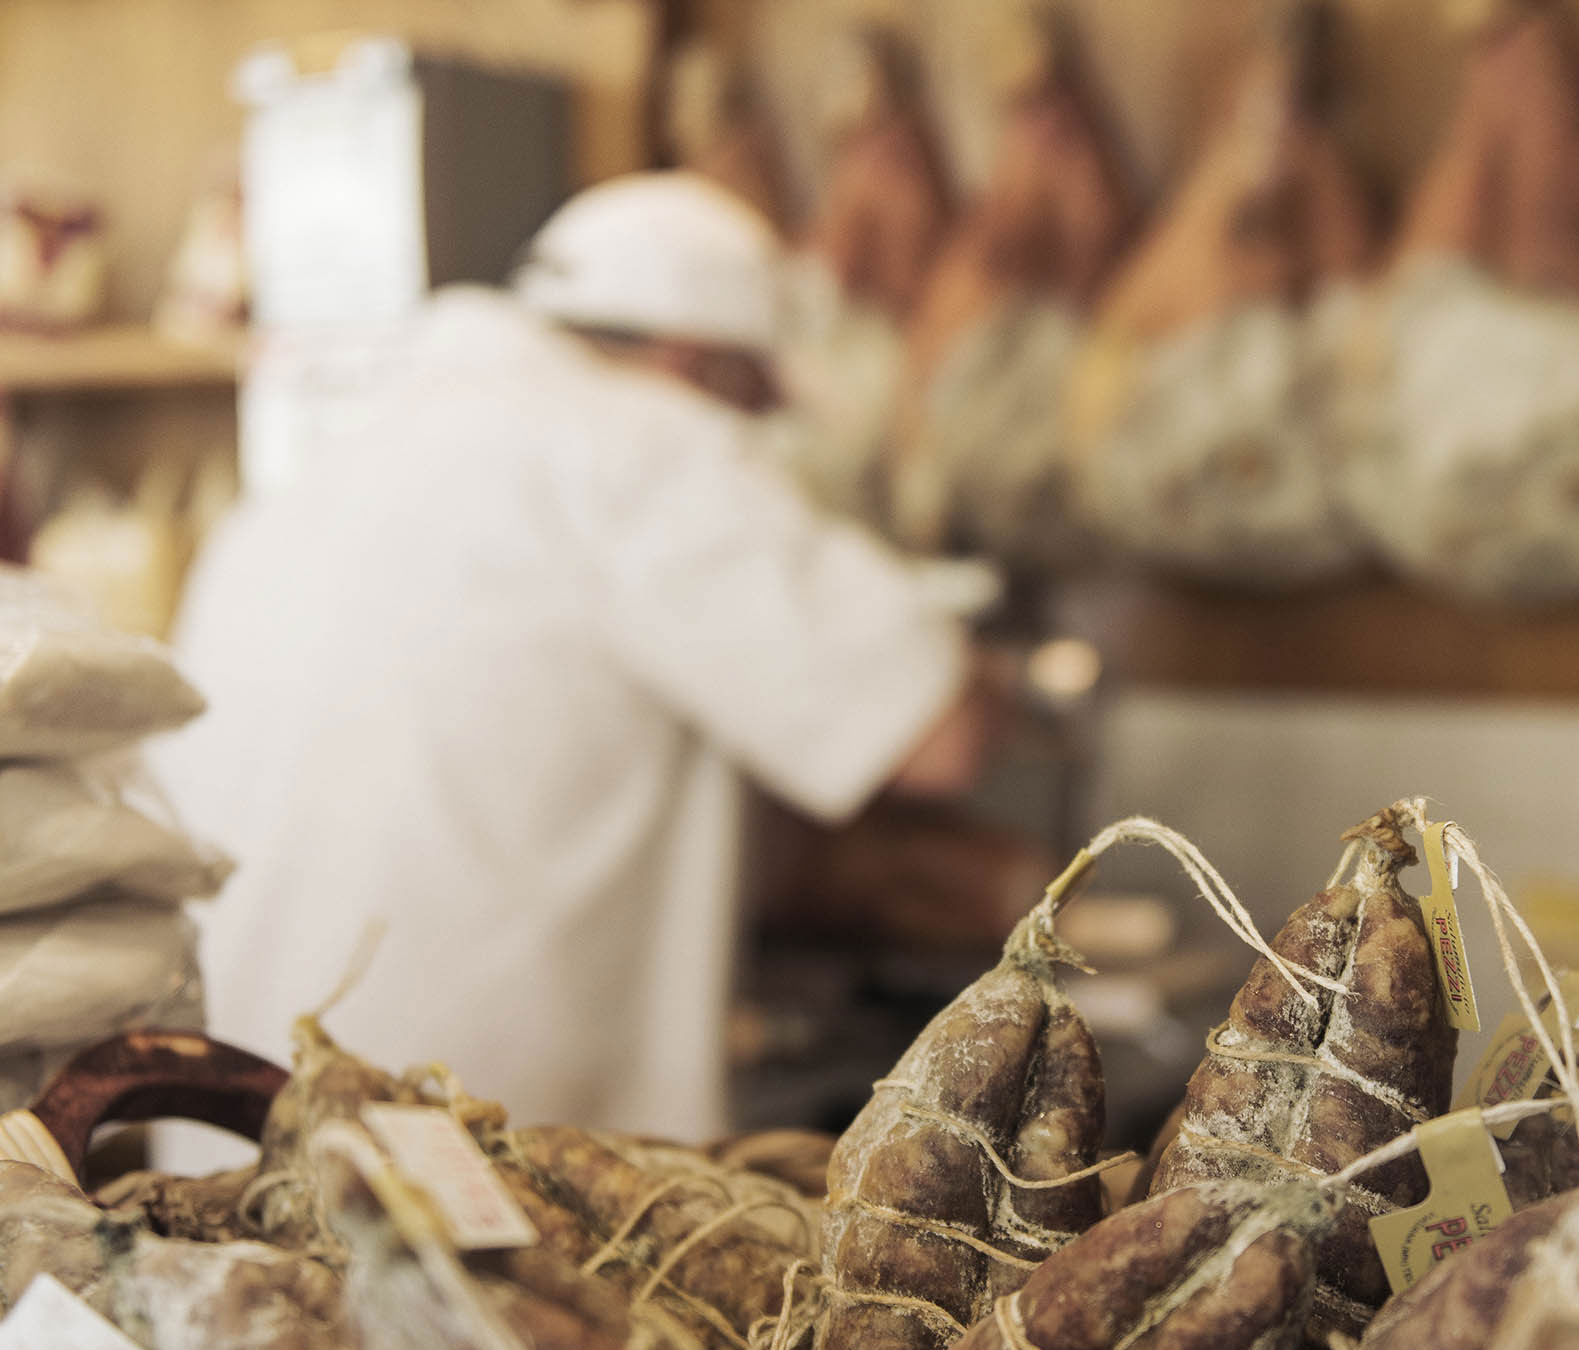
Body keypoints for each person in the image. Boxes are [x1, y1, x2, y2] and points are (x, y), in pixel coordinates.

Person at [152, 172, 994, 1144]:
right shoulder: (638, 440)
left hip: (224, 1121)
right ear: (702, 365)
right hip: (443, 1155)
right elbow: (938, 737)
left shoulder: (356, 447)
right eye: (758, 403)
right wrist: (999, 679)